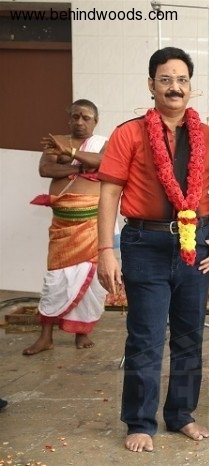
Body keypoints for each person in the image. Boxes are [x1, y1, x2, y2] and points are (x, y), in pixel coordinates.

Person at [96, 47, 209, 453]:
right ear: (151, 85)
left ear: (192, 87)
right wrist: (105, 249)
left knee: (189, 336)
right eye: (166, 79)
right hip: (144, 243)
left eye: (182, 80)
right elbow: (110, 192)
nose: (175, 87)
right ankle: (140, 422)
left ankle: (181, 415)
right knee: (146, 337)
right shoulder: (128, 133)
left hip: (196, 243)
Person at [23, 99, 108, 356]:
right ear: (68, 119)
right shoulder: (57, 140)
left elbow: (102, 162)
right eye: (75, 116)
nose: (80, 122)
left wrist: (69, 157)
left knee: (89, 279)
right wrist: (81, 166)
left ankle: (82, 333)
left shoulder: (103, 143)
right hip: (62, 224)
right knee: (55, 280)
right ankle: (46, 337)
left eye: (86, 117)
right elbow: (45, 169)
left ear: (95, 121)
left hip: (91, 223)